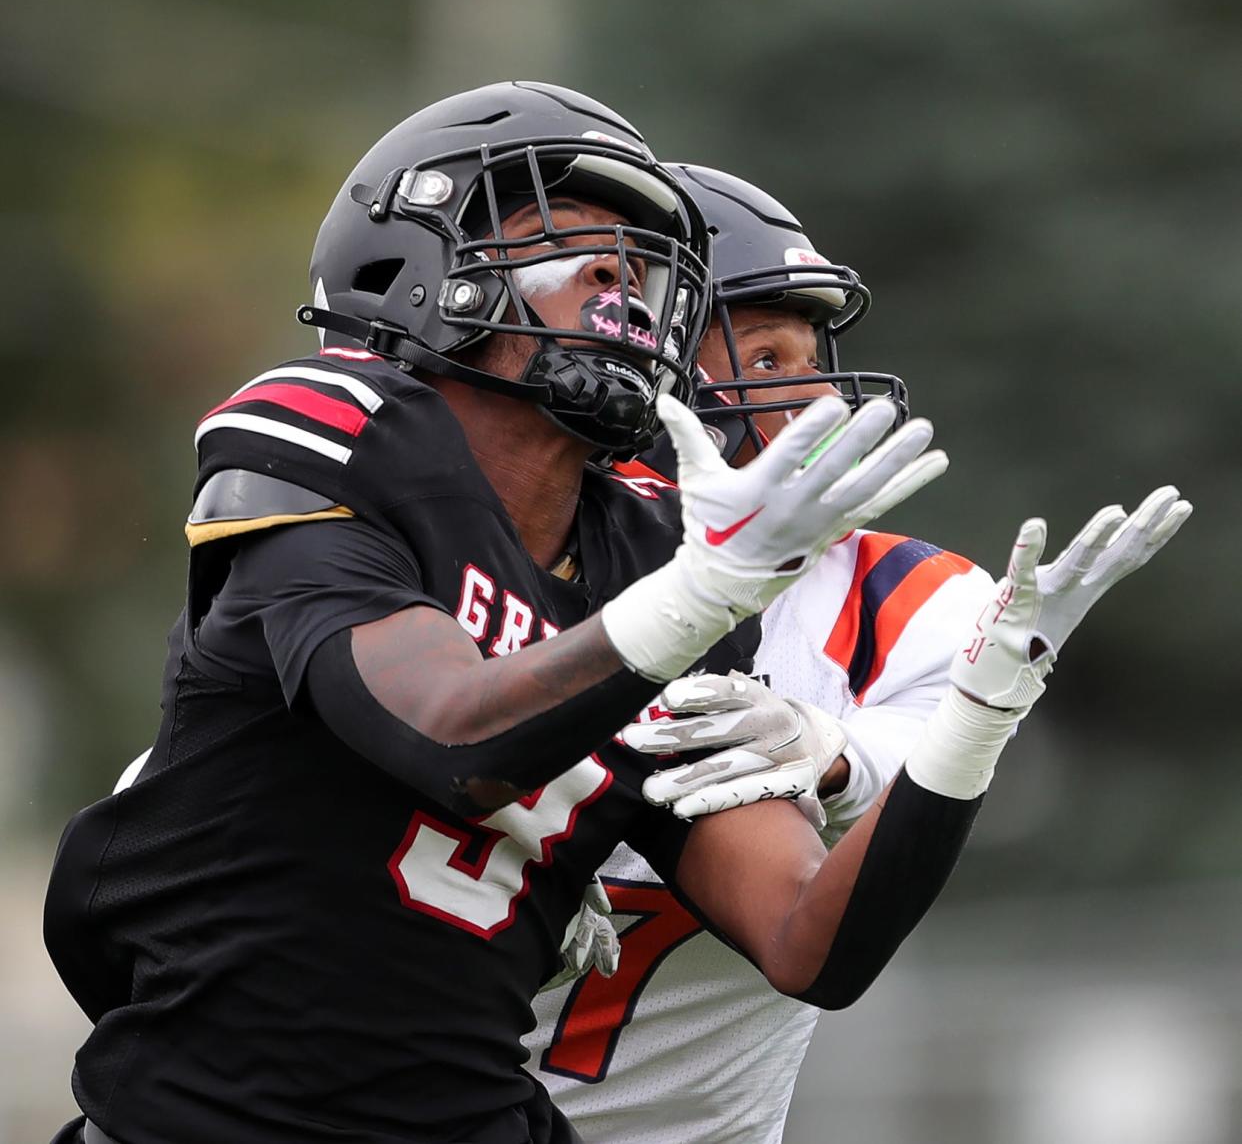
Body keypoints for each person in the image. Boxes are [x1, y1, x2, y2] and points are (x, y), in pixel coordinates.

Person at [40, 82, 981, 1144]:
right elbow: (452, 738)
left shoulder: (654, 554)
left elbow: (816, 944)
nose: (615, 278)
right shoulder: (338, 433)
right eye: (557, 237)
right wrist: (701, 592)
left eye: (636, 260)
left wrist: (968, 735)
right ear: (412, 273)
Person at [526, 165, 1192, 1144]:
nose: (817, 397)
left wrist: (824, 744)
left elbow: (914, 787)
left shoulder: (913, 597)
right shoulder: (522, 557)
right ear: (647, 368)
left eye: (812, 356)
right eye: (765, 355)